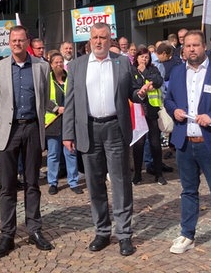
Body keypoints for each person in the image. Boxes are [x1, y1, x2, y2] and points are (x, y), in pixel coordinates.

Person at [62, 22, 149, 257]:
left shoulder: (122, 62)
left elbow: (132, 91)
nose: (98, 41)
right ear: (89, 40)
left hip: (115, 129)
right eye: (94, 37)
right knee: (94, 183)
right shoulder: (77, 66)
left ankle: (124, 234)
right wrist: (67, 133)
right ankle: (102, 231)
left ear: (110, 40)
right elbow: (70, 102)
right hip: (88, 129)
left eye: (103, 37)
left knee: (120, 182)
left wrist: (139, 94)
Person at [164, 30, 211, 261]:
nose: (191, 49)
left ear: (204, 46)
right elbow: (169, 99)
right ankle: (187, 234)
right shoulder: (177, 72)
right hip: (185, 142)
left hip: (210, 142)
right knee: (188, 191)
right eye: (187, 46)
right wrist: (173, 110)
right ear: (183, 49)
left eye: (196, 45)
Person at [0, 25, 53, 258]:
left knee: (32, 182)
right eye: (14, 40)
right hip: (9, 130)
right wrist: (7, 119)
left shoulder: (41, 67)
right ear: (9, 42)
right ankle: (7, 234)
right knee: (7, 186)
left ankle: (34, 229)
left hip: (32, 129)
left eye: (21, 40)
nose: (17, 43)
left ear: (28, 41)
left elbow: (44, 97)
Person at [45, 52, 82, 195]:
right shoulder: (47, 79)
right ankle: (52, 182)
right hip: (53, 122)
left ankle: (73, 181)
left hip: (69, 121)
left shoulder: (70, 78)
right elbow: (43, 97)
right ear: (51, 64)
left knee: (71, 152)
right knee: (53, 154)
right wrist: (56, 109)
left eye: (61, 62)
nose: (59, 64)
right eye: (56, 62)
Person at [131, 47, 166, 185]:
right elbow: (133, 86)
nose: (144, 59)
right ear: (137, 58)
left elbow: (158, 81)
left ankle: (159, 174)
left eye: (146, 57)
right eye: (141, 57)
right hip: (138, 111)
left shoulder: (153, 69)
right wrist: (143, 88)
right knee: (138, 144)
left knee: (155, 144)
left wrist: (145, 72)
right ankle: (138, 174)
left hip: (151, 111)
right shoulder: (132, 70)